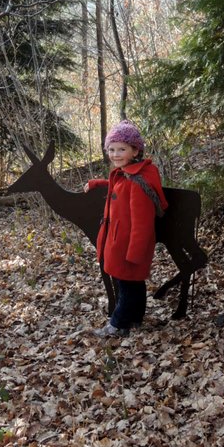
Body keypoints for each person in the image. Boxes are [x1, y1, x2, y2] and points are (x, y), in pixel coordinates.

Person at [84, 120, 168, 338]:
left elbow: (142, 222)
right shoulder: (128, 174)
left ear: (135, 150)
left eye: (121, 149)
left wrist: (135, 253)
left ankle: (116, 324)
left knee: (127, 288)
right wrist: (97, 183)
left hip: (128, 246)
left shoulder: (138, 182)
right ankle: (135, 320)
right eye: (111, 149)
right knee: (133, 285)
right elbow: (119, 186)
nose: (115, 154)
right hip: (119, 241)